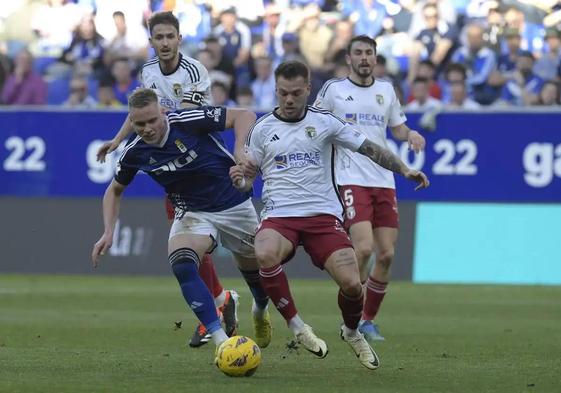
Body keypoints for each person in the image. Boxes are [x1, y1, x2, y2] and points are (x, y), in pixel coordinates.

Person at [230, 60, 429, 370]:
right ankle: (298, 326)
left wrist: (404, 169)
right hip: (280, 217)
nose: (290, 99)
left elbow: (371, 148)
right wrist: (241, 179)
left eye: (296, 93)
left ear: (308, 89)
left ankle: (351, 331)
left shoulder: (326, 122)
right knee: (264, 253)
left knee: (352, 284)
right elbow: (248, 178)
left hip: (323, 217)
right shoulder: (262, 129)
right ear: (276, 91)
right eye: (283, 93)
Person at [94, 11, 239, 348]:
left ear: (179, 38)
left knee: (208, 246)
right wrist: (118, 141)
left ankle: (228, 305)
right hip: (173, 168)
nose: (164, 43)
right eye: (158, 37)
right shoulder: (146, 71)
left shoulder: (195, 72)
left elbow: (185, 122)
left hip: (200, 163)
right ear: (151, 41)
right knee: (187, 248)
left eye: (169, 37)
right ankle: (220, 305)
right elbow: (142, 112)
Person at [91, 88, 272, 355]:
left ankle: (260, 308)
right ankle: (222, 341)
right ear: (131, 121)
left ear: (162, 111)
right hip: (192, 213)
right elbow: (113, 190)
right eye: (139, 124)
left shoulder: (188, 121)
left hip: (234, 204)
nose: (148, 128)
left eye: (152, 120)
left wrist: (239, 149)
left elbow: (245, 115)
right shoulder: (135, 152)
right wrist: (108, 231)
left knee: (257, 278)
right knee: (182, 263)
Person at [313, 35, 426, 342]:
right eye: (358, 53)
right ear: (348, 59)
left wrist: (410, 133)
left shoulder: (386, 90)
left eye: (369, 53)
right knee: (363, 248)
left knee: (387, 254)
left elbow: (396, 126)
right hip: (350, 177)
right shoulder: (334, 90)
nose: (364, 58)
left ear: (375, 59)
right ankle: (351, 309)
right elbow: (313, 123)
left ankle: (366, 320)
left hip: (383, 180)